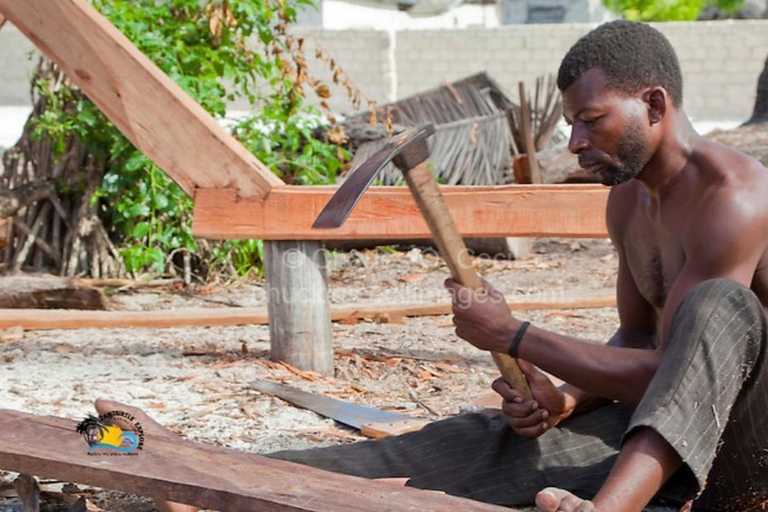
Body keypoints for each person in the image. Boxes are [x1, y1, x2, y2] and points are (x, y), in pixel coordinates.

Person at [98, 20, 768, 512]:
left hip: (742, 440)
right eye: (570, 124)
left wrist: (516, 336)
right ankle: (198, 472)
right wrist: (562, 399)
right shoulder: (628, 199)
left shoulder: (732, 199)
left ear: (654, 104)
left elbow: (684, 368)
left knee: (719, 307)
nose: (575, 142)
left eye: (591, 120)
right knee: (441, 451)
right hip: (652, 433)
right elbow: (637, 342)